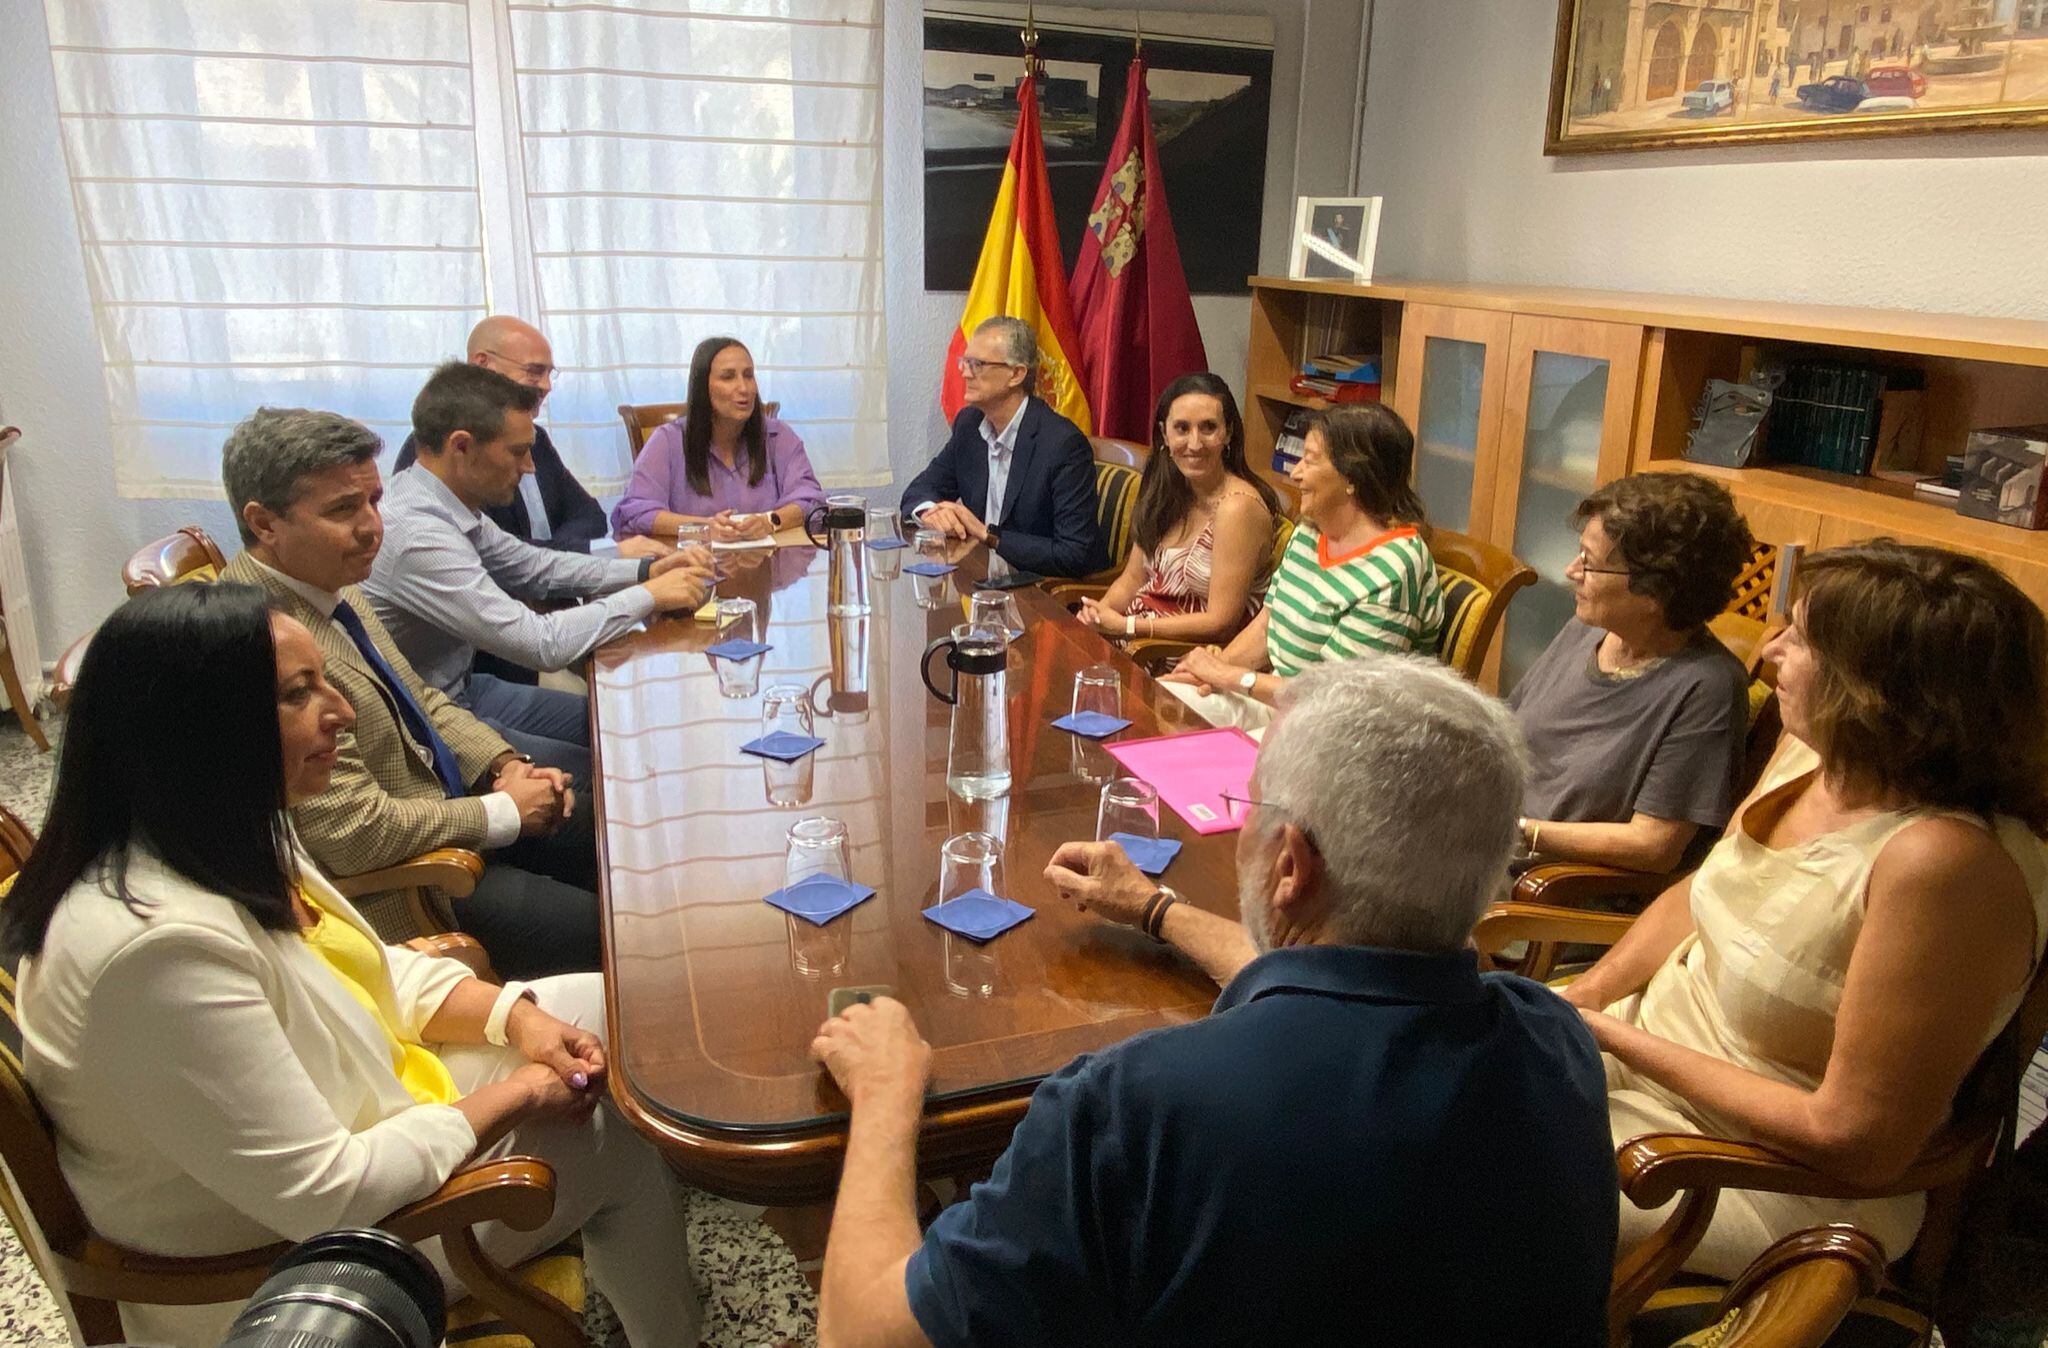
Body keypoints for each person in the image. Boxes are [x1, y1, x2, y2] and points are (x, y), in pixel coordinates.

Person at [808, 657, 1617, 1347]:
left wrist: (885, 1094)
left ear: (1290, 866)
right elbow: (1342, 978)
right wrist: (1157, 909)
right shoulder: (1553, 1038)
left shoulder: (1136, 1107)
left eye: (1251, 811)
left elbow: (860, 1335)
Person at [5, 583, 704, 1348]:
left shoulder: (221, 827)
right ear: (199, 729)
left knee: (619, 1010)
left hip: (364, 1107)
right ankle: (670, 1332)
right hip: (286, 1266)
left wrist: (521, 1020)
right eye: (298, 694)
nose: (339, 710)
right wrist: (522, 1094)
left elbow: (367, 974)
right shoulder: (152, 952)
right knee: (614, 1134)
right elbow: (327, 1195)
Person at [1563, 541, 2048, 1278]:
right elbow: (1703, 892)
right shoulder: (1815, 754)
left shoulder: (1944, 867)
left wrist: (1608, 1037)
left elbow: (1857, 1142)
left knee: (1440, 1178)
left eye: (1799, 635)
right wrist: (1584, 996)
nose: (1769, 648)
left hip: (1761, 1178)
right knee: (1397, 1090)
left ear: (1879, 688)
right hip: (1642, 1071)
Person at [220, 406, 602, 973]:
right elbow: (351, 832)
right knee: (623, 938)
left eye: (373, 500)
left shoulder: (334, 586)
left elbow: (418, 698)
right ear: (264, 523)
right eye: (343, 509)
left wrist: (503, 764)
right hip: (414, 887)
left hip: (450, 814)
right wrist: (500, 812)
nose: (373, 525)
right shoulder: (258, 641)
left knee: (624, 839)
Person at [366, 362, 714, 751]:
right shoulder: (419, 535)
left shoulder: (444, 501)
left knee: (626, 730)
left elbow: (535, 566)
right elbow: (541, 645)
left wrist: (646, 569)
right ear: (461, 446)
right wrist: (650, 594)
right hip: (433, 723)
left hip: (467, 690)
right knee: (608, 777)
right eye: (518, 452)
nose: (530, 467)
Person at [1508, 471, 1756, 874]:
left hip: (1550, 886)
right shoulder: (1585, 630)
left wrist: (1519, 832)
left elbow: (1654, 844)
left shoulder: (1707, 687)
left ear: (1654, 592)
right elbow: (1505, 726)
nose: (1572, 571)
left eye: (1589, 563)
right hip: (1488, 849)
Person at [1158, 403, 1444, 738]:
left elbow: (1335, 699)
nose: (1295, 473)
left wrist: (1231, 678)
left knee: (1207, 766)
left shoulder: (1394, 567)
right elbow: (1268, 624)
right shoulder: (1311, 531)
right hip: (1280, 703)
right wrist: (1206, 673)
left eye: (1309, 460)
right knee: (1165, 702)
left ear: (1352, 477)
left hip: (1340, 735)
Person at [392, 315, 637, 559]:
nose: (546, 386)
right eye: (534, 371)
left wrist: (551, 560)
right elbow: (488, 555)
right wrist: (564, 555)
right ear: (483, 365)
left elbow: (588, 514)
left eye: (549, 374)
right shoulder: (434, 450)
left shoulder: (536, 438)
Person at [1075, 372, 1278, 646]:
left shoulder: (1238, 508)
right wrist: (1099, 615)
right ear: (1164, 435)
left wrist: (1128, 626)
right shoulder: (1167, 491)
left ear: (1228, 433)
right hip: (1132, 640)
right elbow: (1132, 578)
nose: (1194, 444)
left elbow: (1221, 622)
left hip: (1179, 658)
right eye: (1182, 428)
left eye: (1208, 428)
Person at [899, 315, 1102, 580]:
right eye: (965, 362)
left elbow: (1074, 554)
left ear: (1016, 374)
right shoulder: (970, 426)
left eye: (977, 364)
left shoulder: (1063, 444)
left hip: (1044, 594)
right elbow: (919, 490)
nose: (964, 372)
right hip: (985, 581)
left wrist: (988, 535)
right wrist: (931, 513)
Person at [611, 336, 826, 546]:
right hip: (692, 572)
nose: (744, 388)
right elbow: (634, 512)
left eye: (749, 375)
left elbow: (811, 500)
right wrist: (704, 528)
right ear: (703, 387)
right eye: (728, 377)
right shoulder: (668, 441)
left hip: (765, 570)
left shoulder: (778, 437)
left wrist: (770, 521)